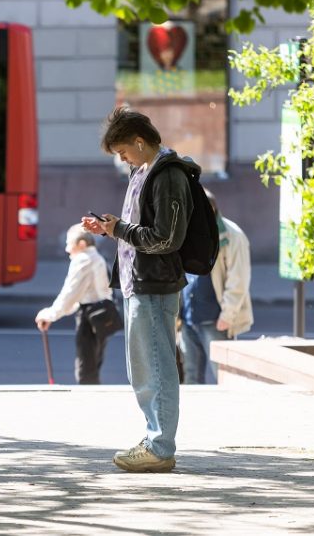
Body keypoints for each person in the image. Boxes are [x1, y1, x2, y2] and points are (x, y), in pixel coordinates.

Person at [81, 106, 192, 473]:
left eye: (123, 152)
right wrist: (109, 228)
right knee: (143, 369)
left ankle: (160, 446)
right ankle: (154, 440)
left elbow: (166, 238)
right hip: (139, 282)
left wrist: (118, 230)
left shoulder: (168, 174)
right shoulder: (143, 171)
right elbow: (139, 229)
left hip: (155, 283)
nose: (122, 160)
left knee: (156, 367)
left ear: (140, 142)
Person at [179, 189, 253, 384]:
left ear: (211, 209)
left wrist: (228, 315)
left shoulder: (232, 235)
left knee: (222, 375)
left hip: (216, 318)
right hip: (189, 317)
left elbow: (238, 278)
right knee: (190, 375)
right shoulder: (186, 232)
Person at [35, 224, 115, 384]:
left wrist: (49, 315)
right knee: (93, 366)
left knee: (86, 370)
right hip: (102, 316)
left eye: (69, 243)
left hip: (90, 318)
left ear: (82, 244)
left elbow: (70, 294)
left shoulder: (83, 260)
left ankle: (88, 404)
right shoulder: (97, 258)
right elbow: (78, 295)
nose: (67, 249)